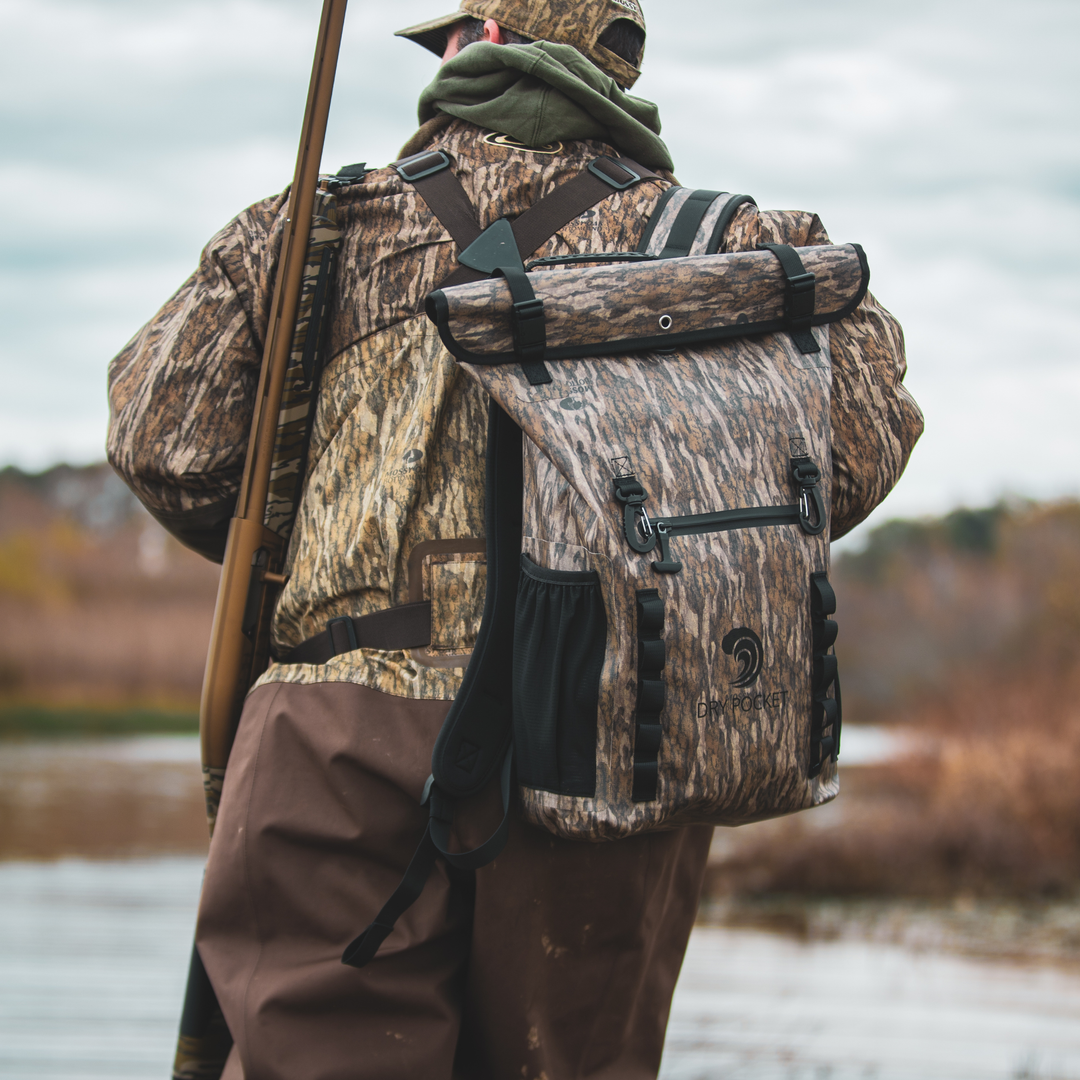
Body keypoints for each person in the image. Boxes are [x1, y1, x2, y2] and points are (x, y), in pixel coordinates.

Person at [107, 2, 923, 1077]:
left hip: (336, 732)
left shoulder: (307, 231)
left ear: (486, 38)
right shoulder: (733, 247)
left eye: (447, 35)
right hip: (617, 730)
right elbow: (859, 444)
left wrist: (324, 526)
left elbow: (163, 441)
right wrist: (679, 532)